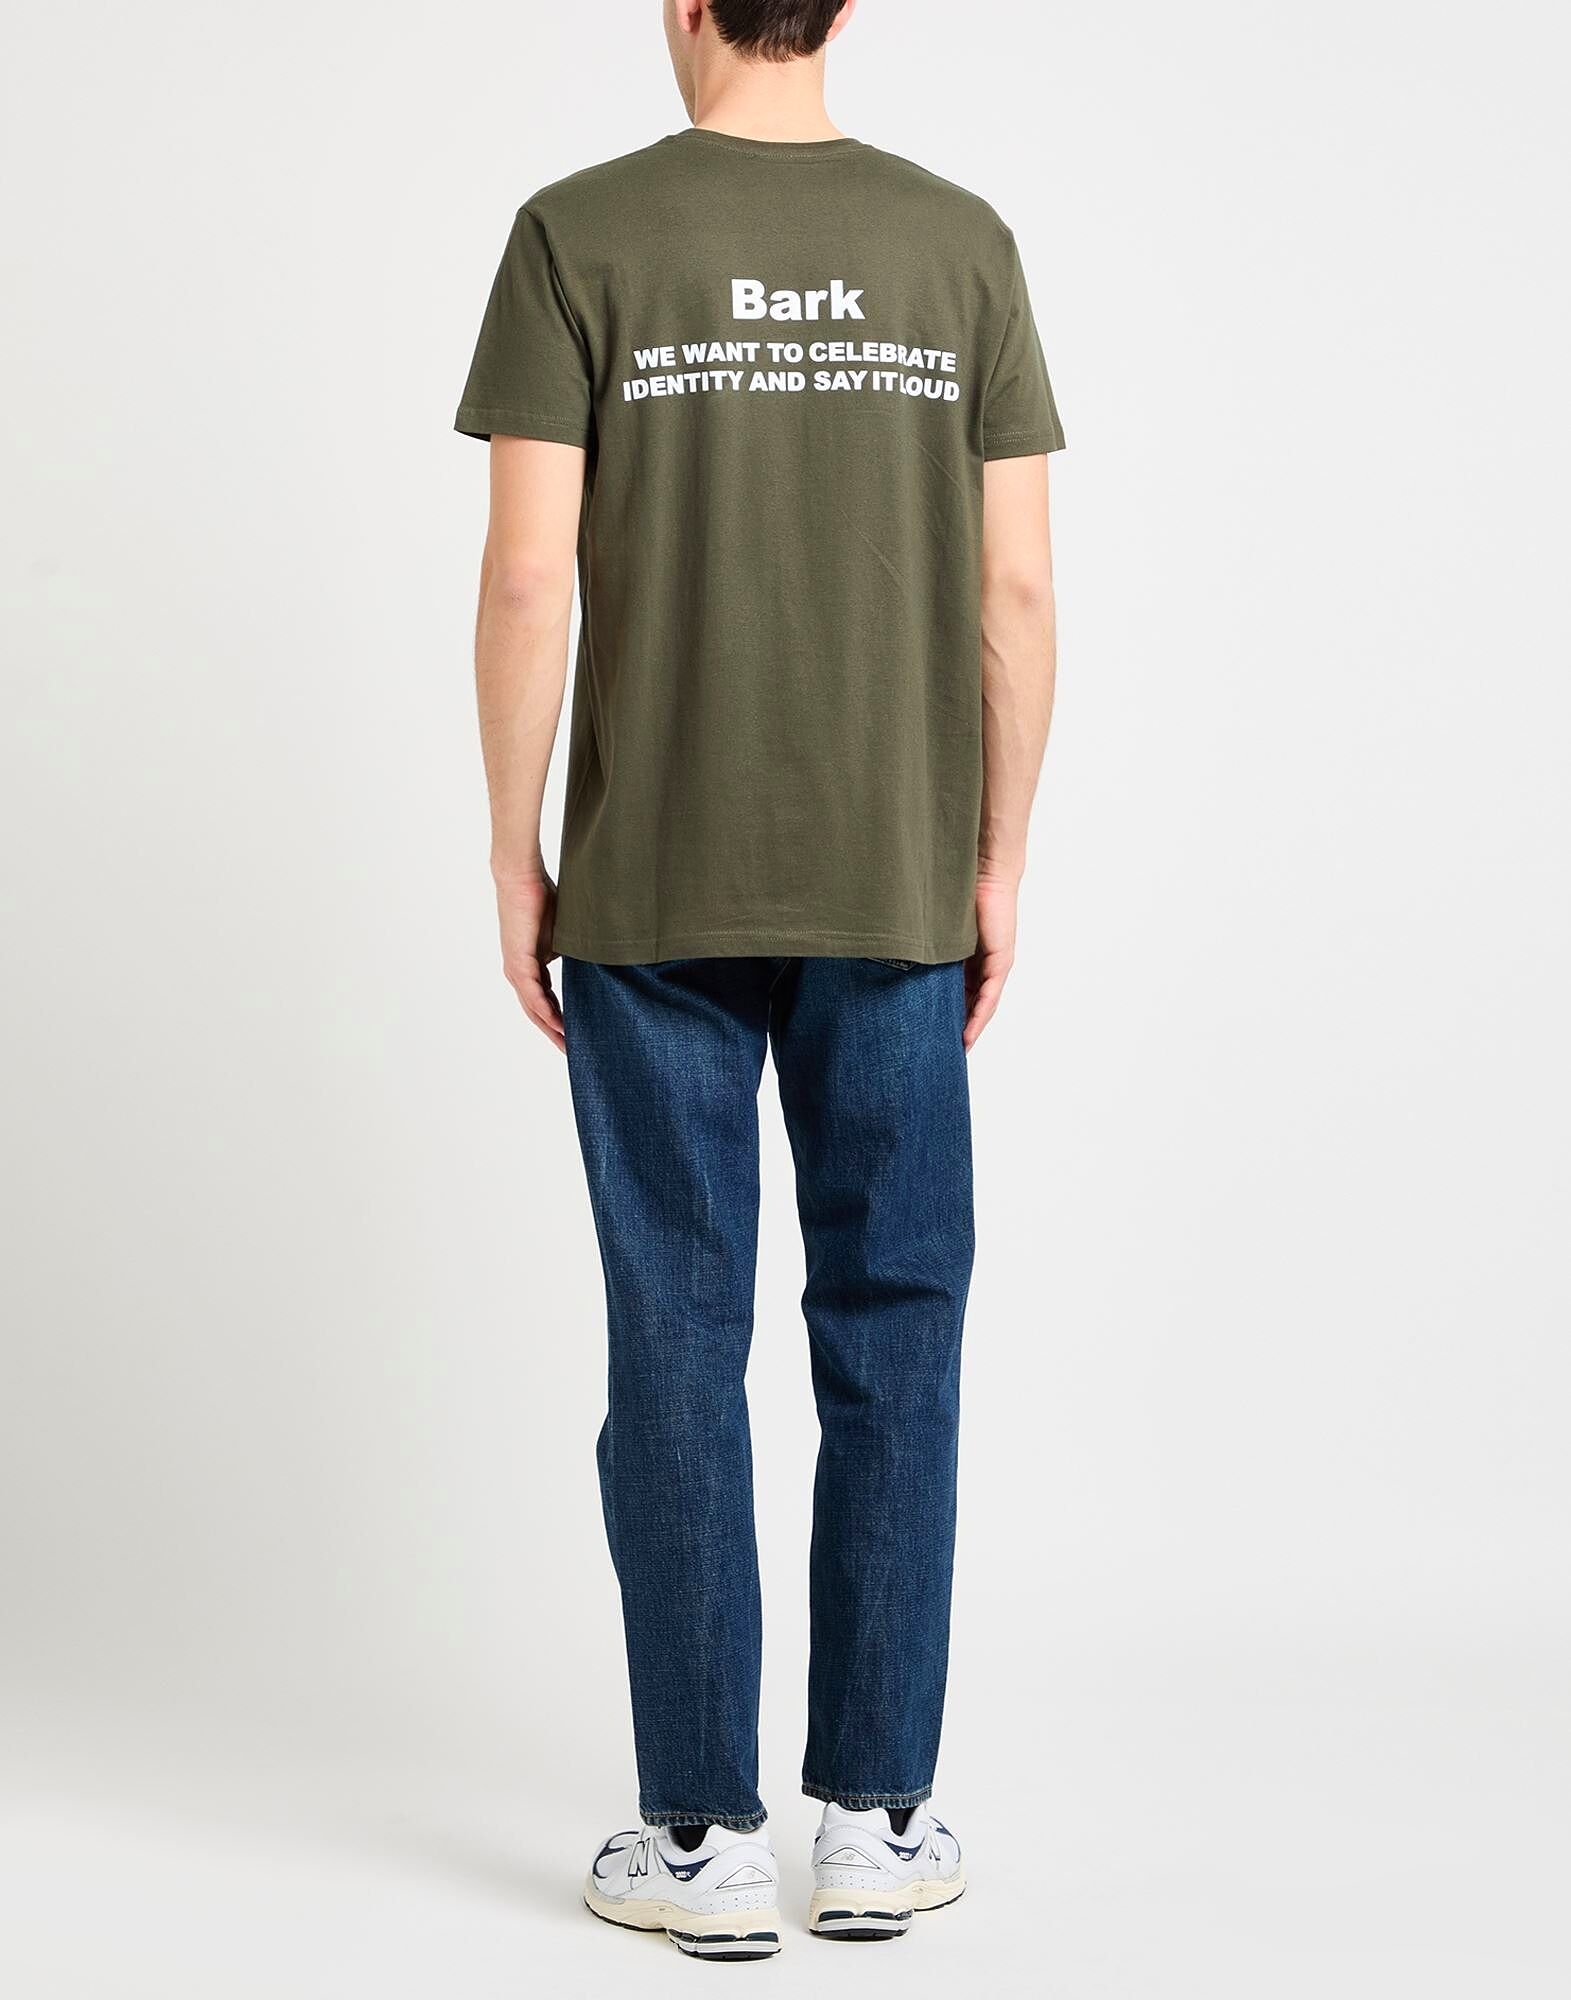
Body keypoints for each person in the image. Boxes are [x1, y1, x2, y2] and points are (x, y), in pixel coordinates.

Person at [455, 0, 1062, 1961]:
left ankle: (700, 1836)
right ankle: (876, 1816)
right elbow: (1018, 587)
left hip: (653, 884)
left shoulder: (578, 232)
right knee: (898, 1326)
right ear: (846, 4)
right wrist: (997, 853)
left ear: (684, 1)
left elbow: (528, 575)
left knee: (674, 1331)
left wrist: (515, 847)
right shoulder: (958, 243)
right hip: (892, 873)